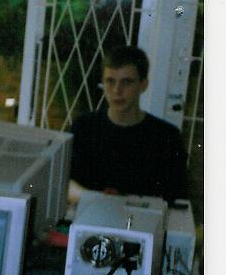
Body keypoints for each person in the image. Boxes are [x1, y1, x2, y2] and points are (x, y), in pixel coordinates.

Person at [68, 45, 188, 206]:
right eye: (110, 81)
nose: (117, 90)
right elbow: (64, 182)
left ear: (143, 85)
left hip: (144, 223)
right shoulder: (83, 128)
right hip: (88, 219)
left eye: (127, 82)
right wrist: (98, 199)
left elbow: (174, 196)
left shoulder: (166, 137)